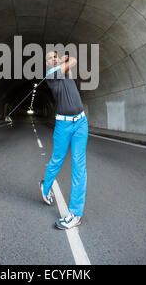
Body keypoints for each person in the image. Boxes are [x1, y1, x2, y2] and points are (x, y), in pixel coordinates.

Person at [39, 51, 89, 230]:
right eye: (50, 58)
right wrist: (63, 60)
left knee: (79, 165)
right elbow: (73, 60)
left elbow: (71, 64)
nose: (54, 58)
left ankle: (75, 214)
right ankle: (45, 186)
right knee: (57, 160)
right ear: (47, 64)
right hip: (63, 125)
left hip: (81, 122)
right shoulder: (50, 75)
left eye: (55, 55)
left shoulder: (66, 73)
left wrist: (63, 59)